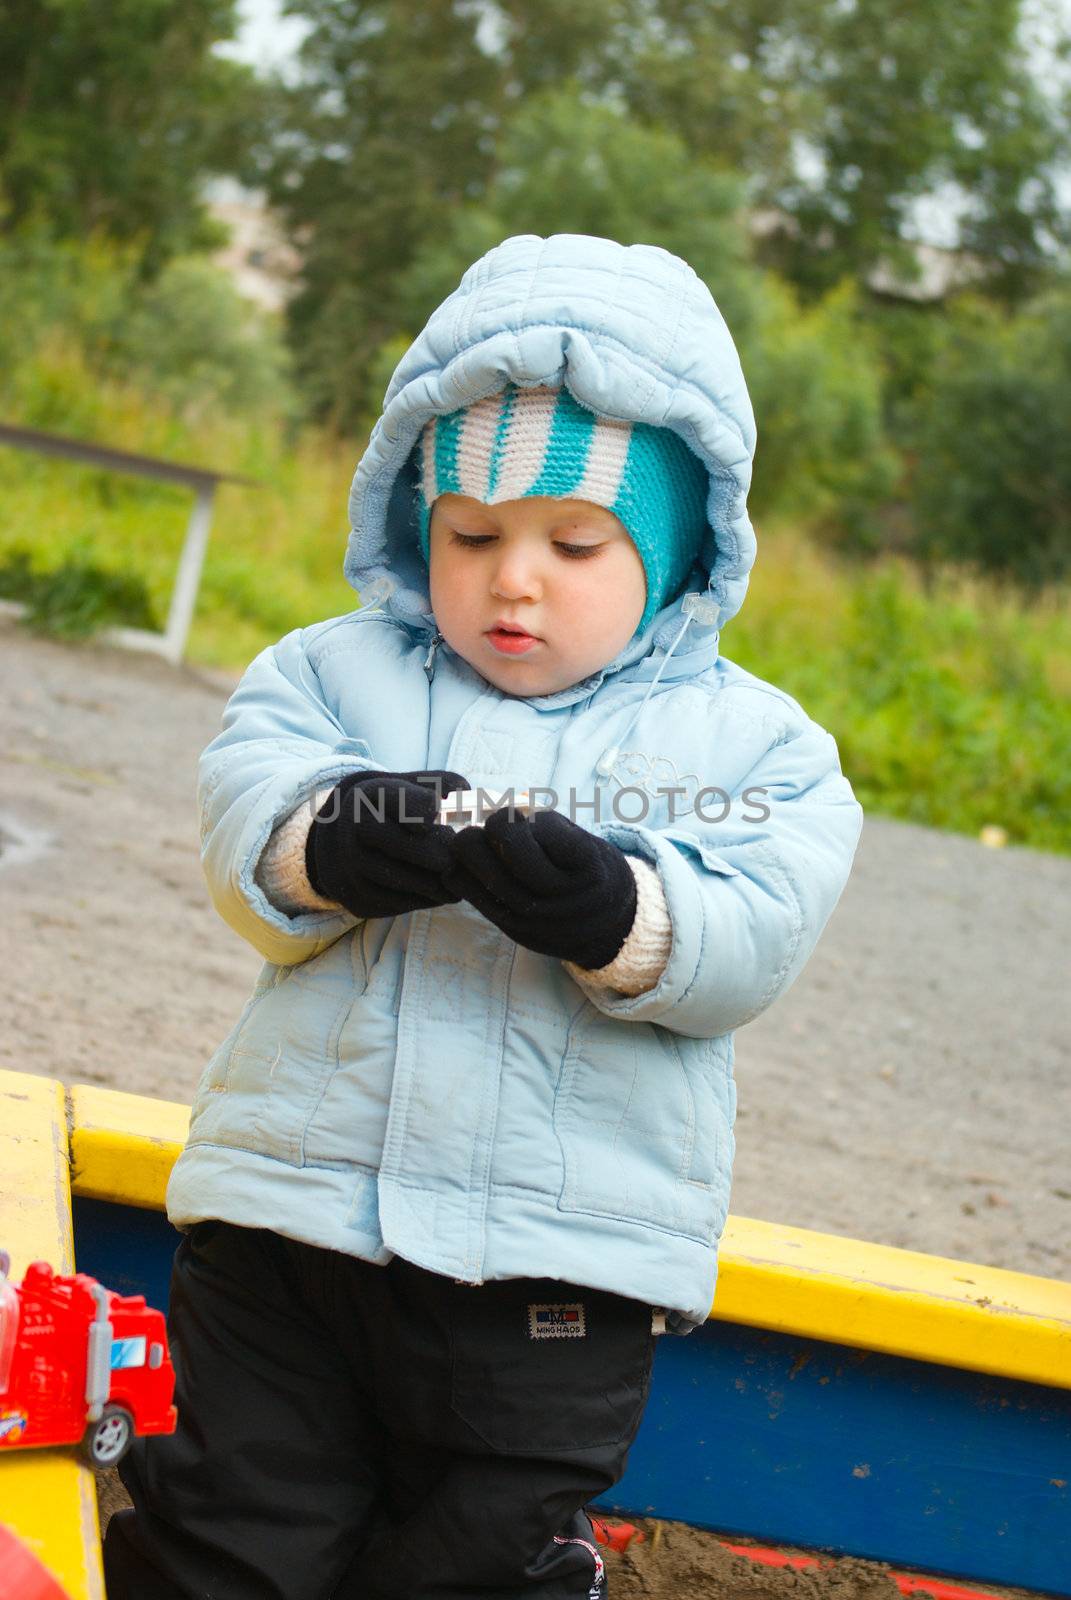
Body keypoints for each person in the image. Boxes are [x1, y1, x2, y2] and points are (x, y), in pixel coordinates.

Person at [105, 232, 863, 1599]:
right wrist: (331, 839)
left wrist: (624, 912)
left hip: (554, 1275)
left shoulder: (752, 747)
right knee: (224, 1531)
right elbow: (242, 826)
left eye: (577, 542)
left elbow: (758, 925)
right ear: (416, 518)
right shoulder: (331, 677)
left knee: (474, 1563)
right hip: (287, 1234)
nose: (515, 579)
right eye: (471, 535)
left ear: (679, 549)